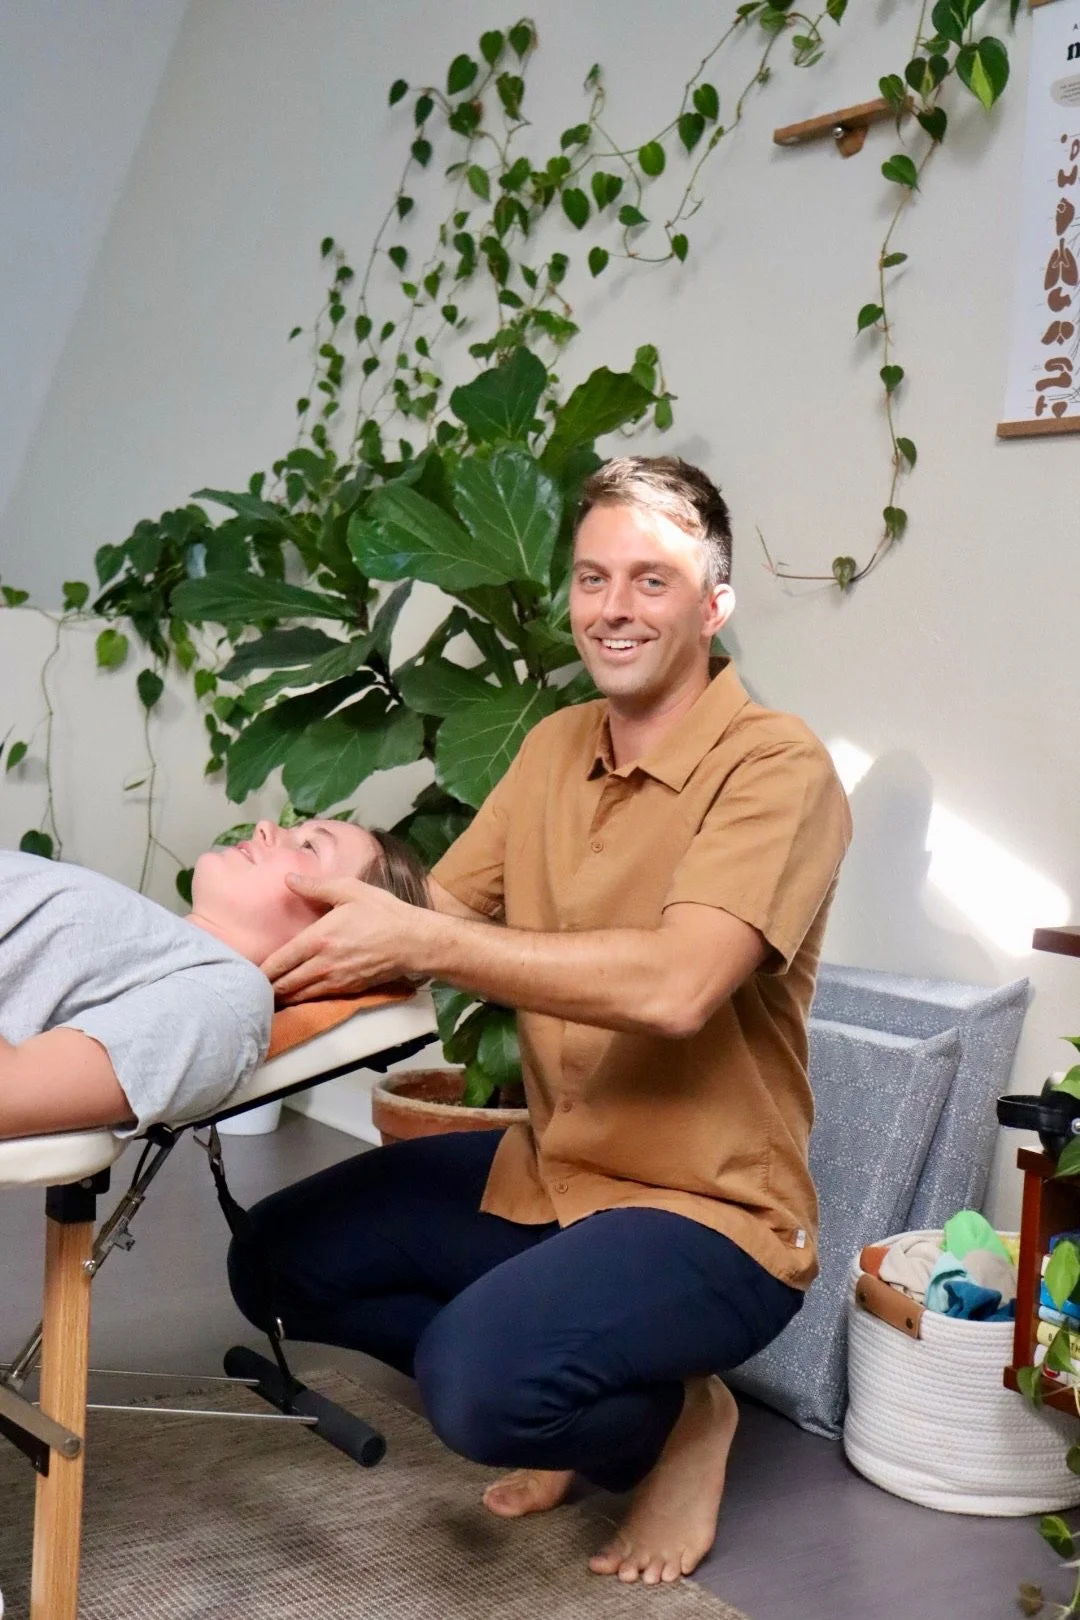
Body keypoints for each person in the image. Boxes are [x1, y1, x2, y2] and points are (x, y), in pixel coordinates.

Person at [238, 456, 852, 1586]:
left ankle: (677, 1421)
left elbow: (678, 985)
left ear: (715, 604)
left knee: (479, 1388)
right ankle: (585, 1369)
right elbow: (439, 916)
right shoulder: (554, 745)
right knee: (273, 1262)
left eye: (652, 581)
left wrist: (424, 941)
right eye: (591, 578)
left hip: (713, 1216)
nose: (613, 609)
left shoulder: (779, 768)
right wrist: (229, 976)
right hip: (558, 1173)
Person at [0, 819, 427, 1141]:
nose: (266, 826)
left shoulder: (227, 1002)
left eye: (310, 846)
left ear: (339, 939)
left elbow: (11, 1090)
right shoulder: (161, 949)